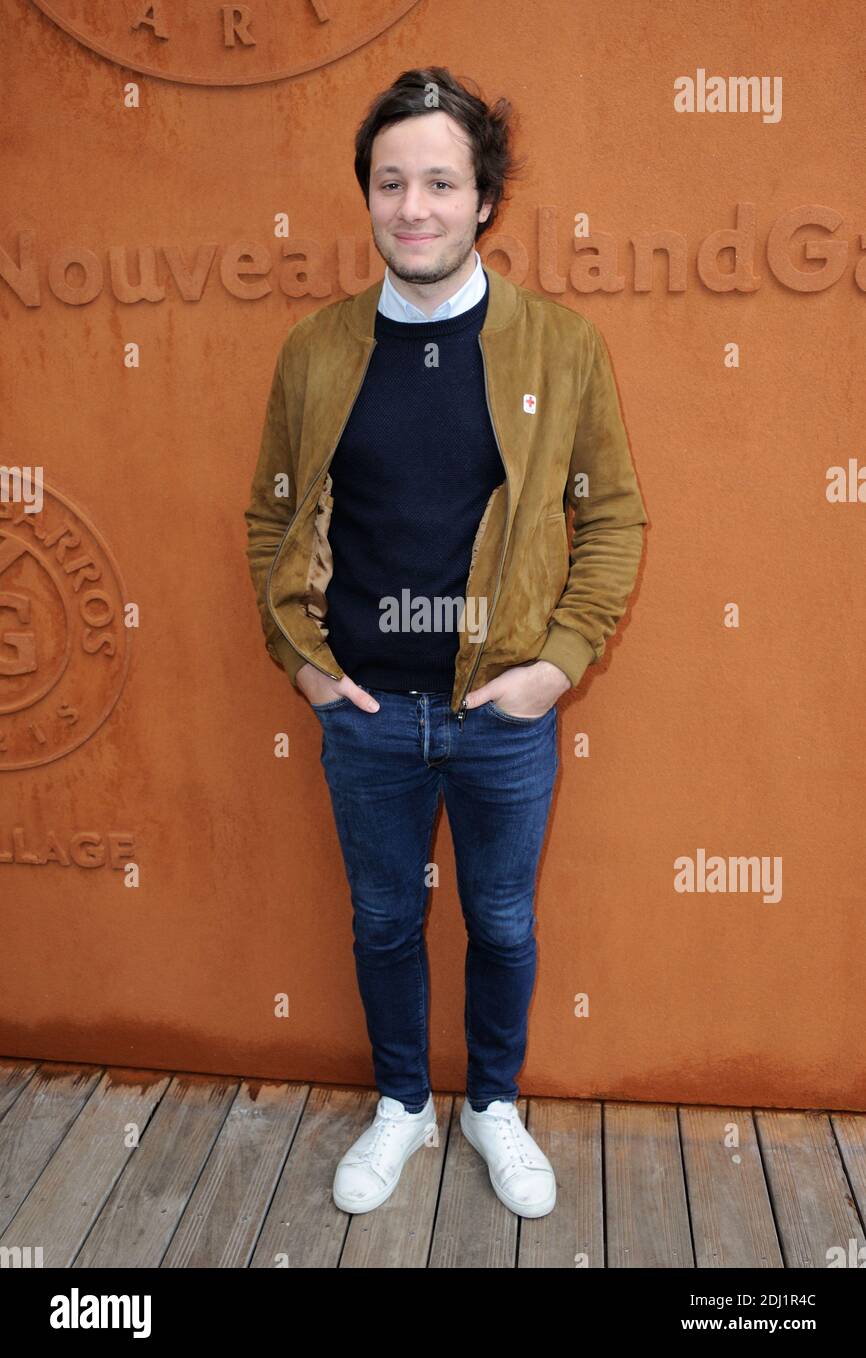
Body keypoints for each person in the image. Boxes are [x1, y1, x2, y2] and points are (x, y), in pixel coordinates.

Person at [244, 66, 648, 1220]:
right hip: (365, 714)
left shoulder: (560, 348)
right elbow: (270, 510)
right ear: (366, 197)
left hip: (497, 715)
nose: (411, 206)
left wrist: (557, 665)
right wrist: (305, 663)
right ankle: (404, 1103)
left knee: (502, 921)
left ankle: (494, 1105)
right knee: (381, 919)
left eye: (438, 182)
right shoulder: (317, 350)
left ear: (483, 201)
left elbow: (609, 511)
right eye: (389, 182)